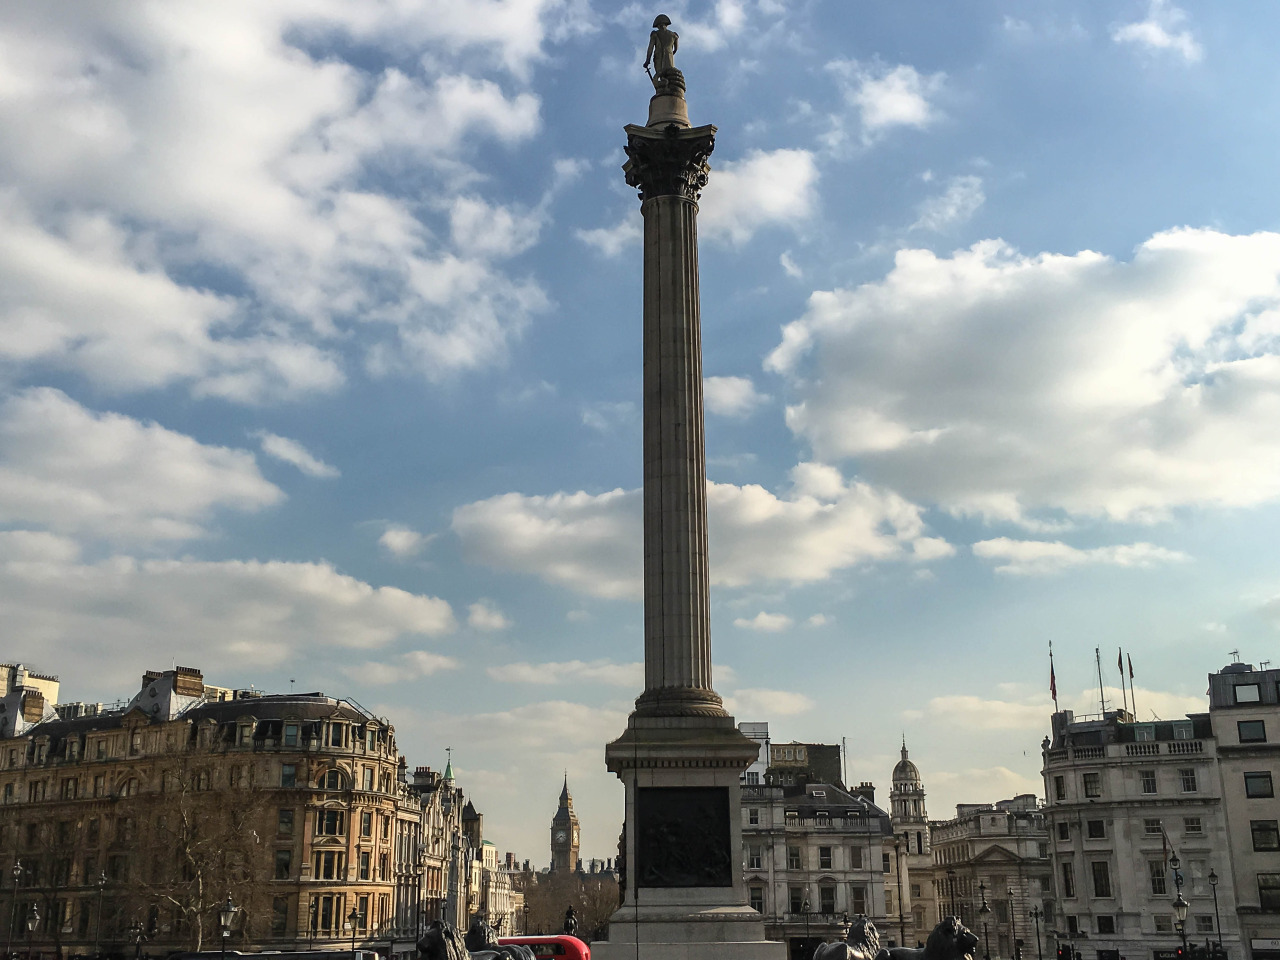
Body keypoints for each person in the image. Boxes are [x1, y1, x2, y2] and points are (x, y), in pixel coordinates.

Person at [643, 15, 679, 90]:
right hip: (669, 56)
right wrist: (671, 52)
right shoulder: (673, 35)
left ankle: (664, 86)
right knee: (669, 74)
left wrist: (647, 60)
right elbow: (676, 49)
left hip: (658, 56)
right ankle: (667, 87)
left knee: (660, 74)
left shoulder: (655, 34)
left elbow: (650, 48)